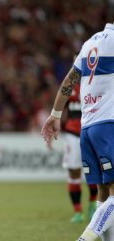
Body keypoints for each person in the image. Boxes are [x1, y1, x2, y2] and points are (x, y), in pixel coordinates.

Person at [41, 22, 114, 241]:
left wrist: (55, 114)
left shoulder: (90, 42)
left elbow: (69, 80)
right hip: (109, 124)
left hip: (88, 128)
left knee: (103, 192)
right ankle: (85, 238)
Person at [60, 84, 97, 223]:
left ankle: (93, 203)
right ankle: (78, 211)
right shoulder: (69, 86)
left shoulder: (95, 82)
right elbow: (59, 107)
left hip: (91, 130)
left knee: (93, 170)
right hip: (72, 132)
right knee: (74, 171)